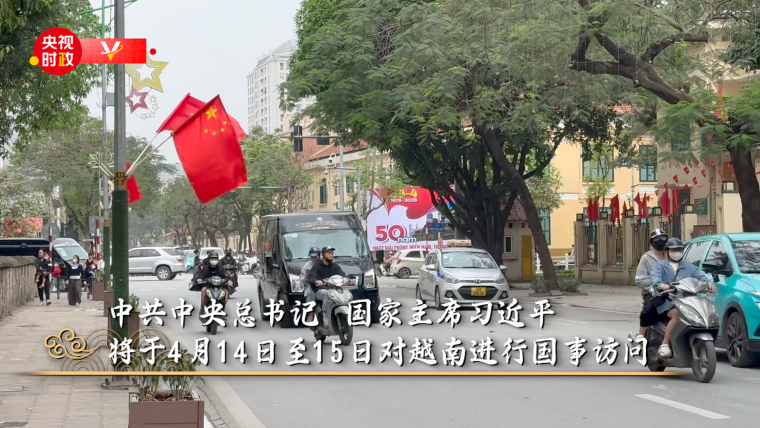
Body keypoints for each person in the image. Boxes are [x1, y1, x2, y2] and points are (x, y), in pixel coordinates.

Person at [651, 238, 716, 358]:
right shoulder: (660, 266)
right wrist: (662, 285)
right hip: (669, 301)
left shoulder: (688, 266)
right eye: (674, 250)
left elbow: (701, 275)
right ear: (667, 251)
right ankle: (665, 343)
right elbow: (655, 280)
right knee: (677, 315)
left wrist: (709, 283)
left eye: (680, 249)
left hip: (688, 300)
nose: (677, 252)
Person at [634, 229, 669, 343]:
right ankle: (641, 335)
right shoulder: (646, 258)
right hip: (652, 292)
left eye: (662, 238)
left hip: (672, 290)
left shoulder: (671, 256)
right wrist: (655, 285)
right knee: (649, 308)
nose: (660, 241)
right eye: (657, 239)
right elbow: (639, 279)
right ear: (652, 242)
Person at [307, 246, 356, 326]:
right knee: (327, 294)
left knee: (347, 293)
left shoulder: (335, 266)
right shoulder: (317, 266)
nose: (331, 255)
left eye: (332, 253)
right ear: (323, 255)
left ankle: (350, 312)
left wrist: (349, 280)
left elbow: (343, 275)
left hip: (335, 289)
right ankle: (325, 314)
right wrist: (316, 281)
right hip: (322, 290)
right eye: (329, 253)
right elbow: (310, 277)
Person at [300, 247, 321, 323]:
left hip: (324, 284)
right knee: (310, 292)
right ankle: (310, 313)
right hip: (312, 285)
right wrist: (305, 277)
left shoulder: (324, 263)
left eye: (315, 256)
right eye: (312, 256)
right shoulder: (307, 266)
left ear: (319, 255)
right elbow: (301, 278)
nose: (314, 258)